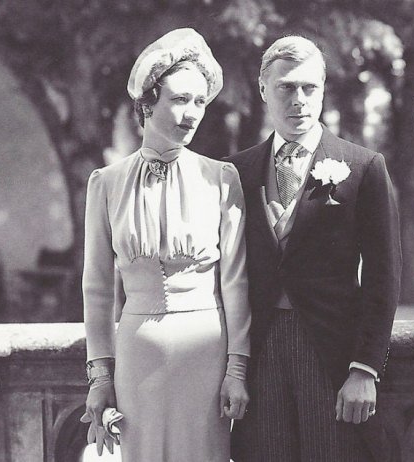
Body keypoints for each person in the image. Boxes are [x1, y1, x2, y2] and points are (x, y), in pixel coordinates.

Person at [226, 36, 402, 462]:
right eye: (286, 87)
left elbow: (385, 276)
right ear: (263, 90)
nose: (299, 100)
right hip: (260, 348)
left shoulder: (362, 168)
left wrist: (364, 368)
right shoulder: (238, 171)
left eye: (310, 88)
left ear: (323, 91)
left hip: (330, 352)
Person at [80, 28, 251, 461]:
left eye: (199, 102)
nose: (192, 113)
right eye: (179, 99)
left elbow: (236, 283)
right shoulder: (106, 184)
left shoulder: (221, 178)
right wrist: (101, 377)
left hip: (207, 353)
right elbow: (98, 290)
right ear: (147, 103)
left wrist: (237, 369)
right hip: (137, 356)